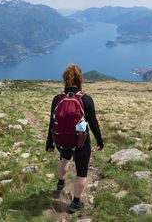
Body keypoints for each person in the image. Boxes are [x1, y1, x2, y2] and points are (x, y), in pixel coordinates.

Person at [45, 64, 104, 213]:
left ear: (65, 79)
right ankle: (76, 202)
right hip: (81, 141)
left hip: (62, 140)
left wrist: (49, 143)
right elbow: (94, 123)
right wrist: (99, 140)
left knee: (64, 159)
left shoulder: (57, 99)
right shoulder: (86, 99)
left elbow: (52, 122)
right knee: (81, 171)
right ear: (80, 80)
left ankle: (60, 183)